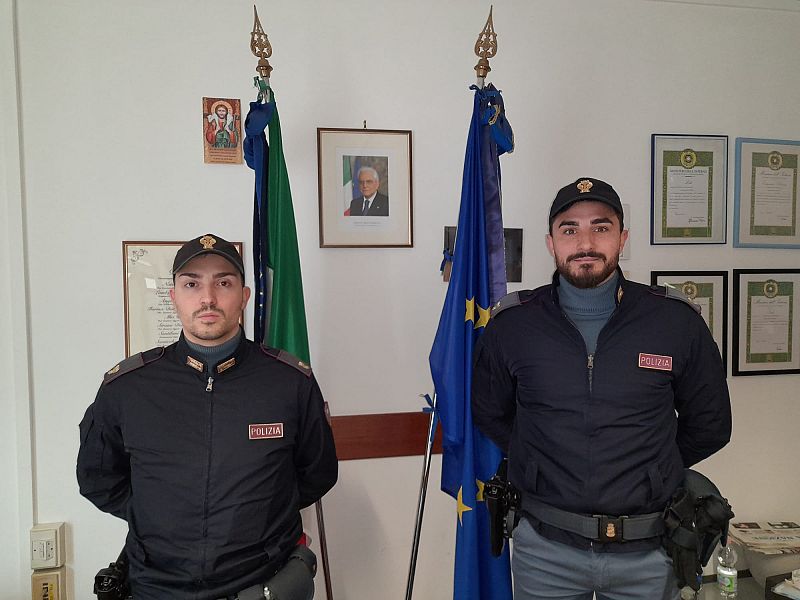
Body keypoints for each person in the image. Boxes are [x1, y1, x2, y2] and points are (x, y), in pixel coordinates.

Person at [472, 178, 732, 600]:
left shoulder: (675, 322)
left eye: (601, 227)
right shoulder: (513, 325)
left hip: (649, 552)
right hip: (545, 550)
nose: (586, 242)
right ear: (551, 242)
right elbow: (490, 412)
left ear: (622, 238)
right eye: (569, 229)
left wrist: (653, 468)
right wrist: (538, 460)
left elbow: (711, 424)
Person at [77, 233, 338, 600]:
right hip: (156, 586)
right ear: (173, 297)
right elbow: (98, 479)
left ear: (244, 296)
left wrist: (259, 517)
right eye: (192, 284)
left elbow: (317, 474)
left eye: (224, 283)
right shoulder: (127, 388)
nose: (208, 298)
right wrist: (156, 516)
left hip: (259, 583)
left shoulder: (290, 383)